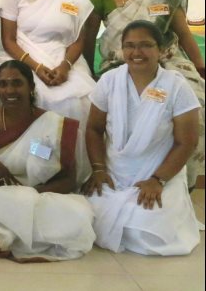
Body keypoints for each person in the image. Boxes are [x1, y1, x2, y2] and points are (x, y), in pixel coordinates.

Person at [84, 0, 205, 187]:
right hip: (121, 61)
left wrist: (200, 67)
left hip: (168, 59)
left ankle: (184, 179)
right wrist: (88, 71)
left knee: (196, 99)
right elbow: (89, 36)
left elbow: (184, 34)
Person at [0, 60, 95, 262]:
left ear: (31, 87)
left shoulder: (52, 124)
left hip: (37, 194)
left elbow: (69, 181)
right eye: (3, 84)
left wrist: (29, 195)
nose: (10, 90)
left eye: (17, 83)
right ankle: (17, 229)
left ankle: (5, 229)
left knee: (79, 217)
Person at [83, 21, 200, 255]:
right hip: (114, 174)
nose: (137, 52)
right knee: (86, 216)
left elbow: (187, 142)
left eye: (146, 45)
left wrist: (157, 180)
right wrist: (98, 169)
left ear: (161, 50)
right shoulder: (109, 81)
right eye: (130, 46)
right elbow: (94, 129)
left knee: (149, 230)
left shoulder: (177, 86)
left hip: (159, 174)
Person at [0, 0, 95, 127]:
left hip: (64, 57)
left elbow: (78, 40)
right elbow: (8, 40)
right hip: (22, 56)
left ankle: (68, 145)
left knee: (85, 99)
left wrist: (65, 67)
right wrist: (36, 67)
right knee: (35, 95)